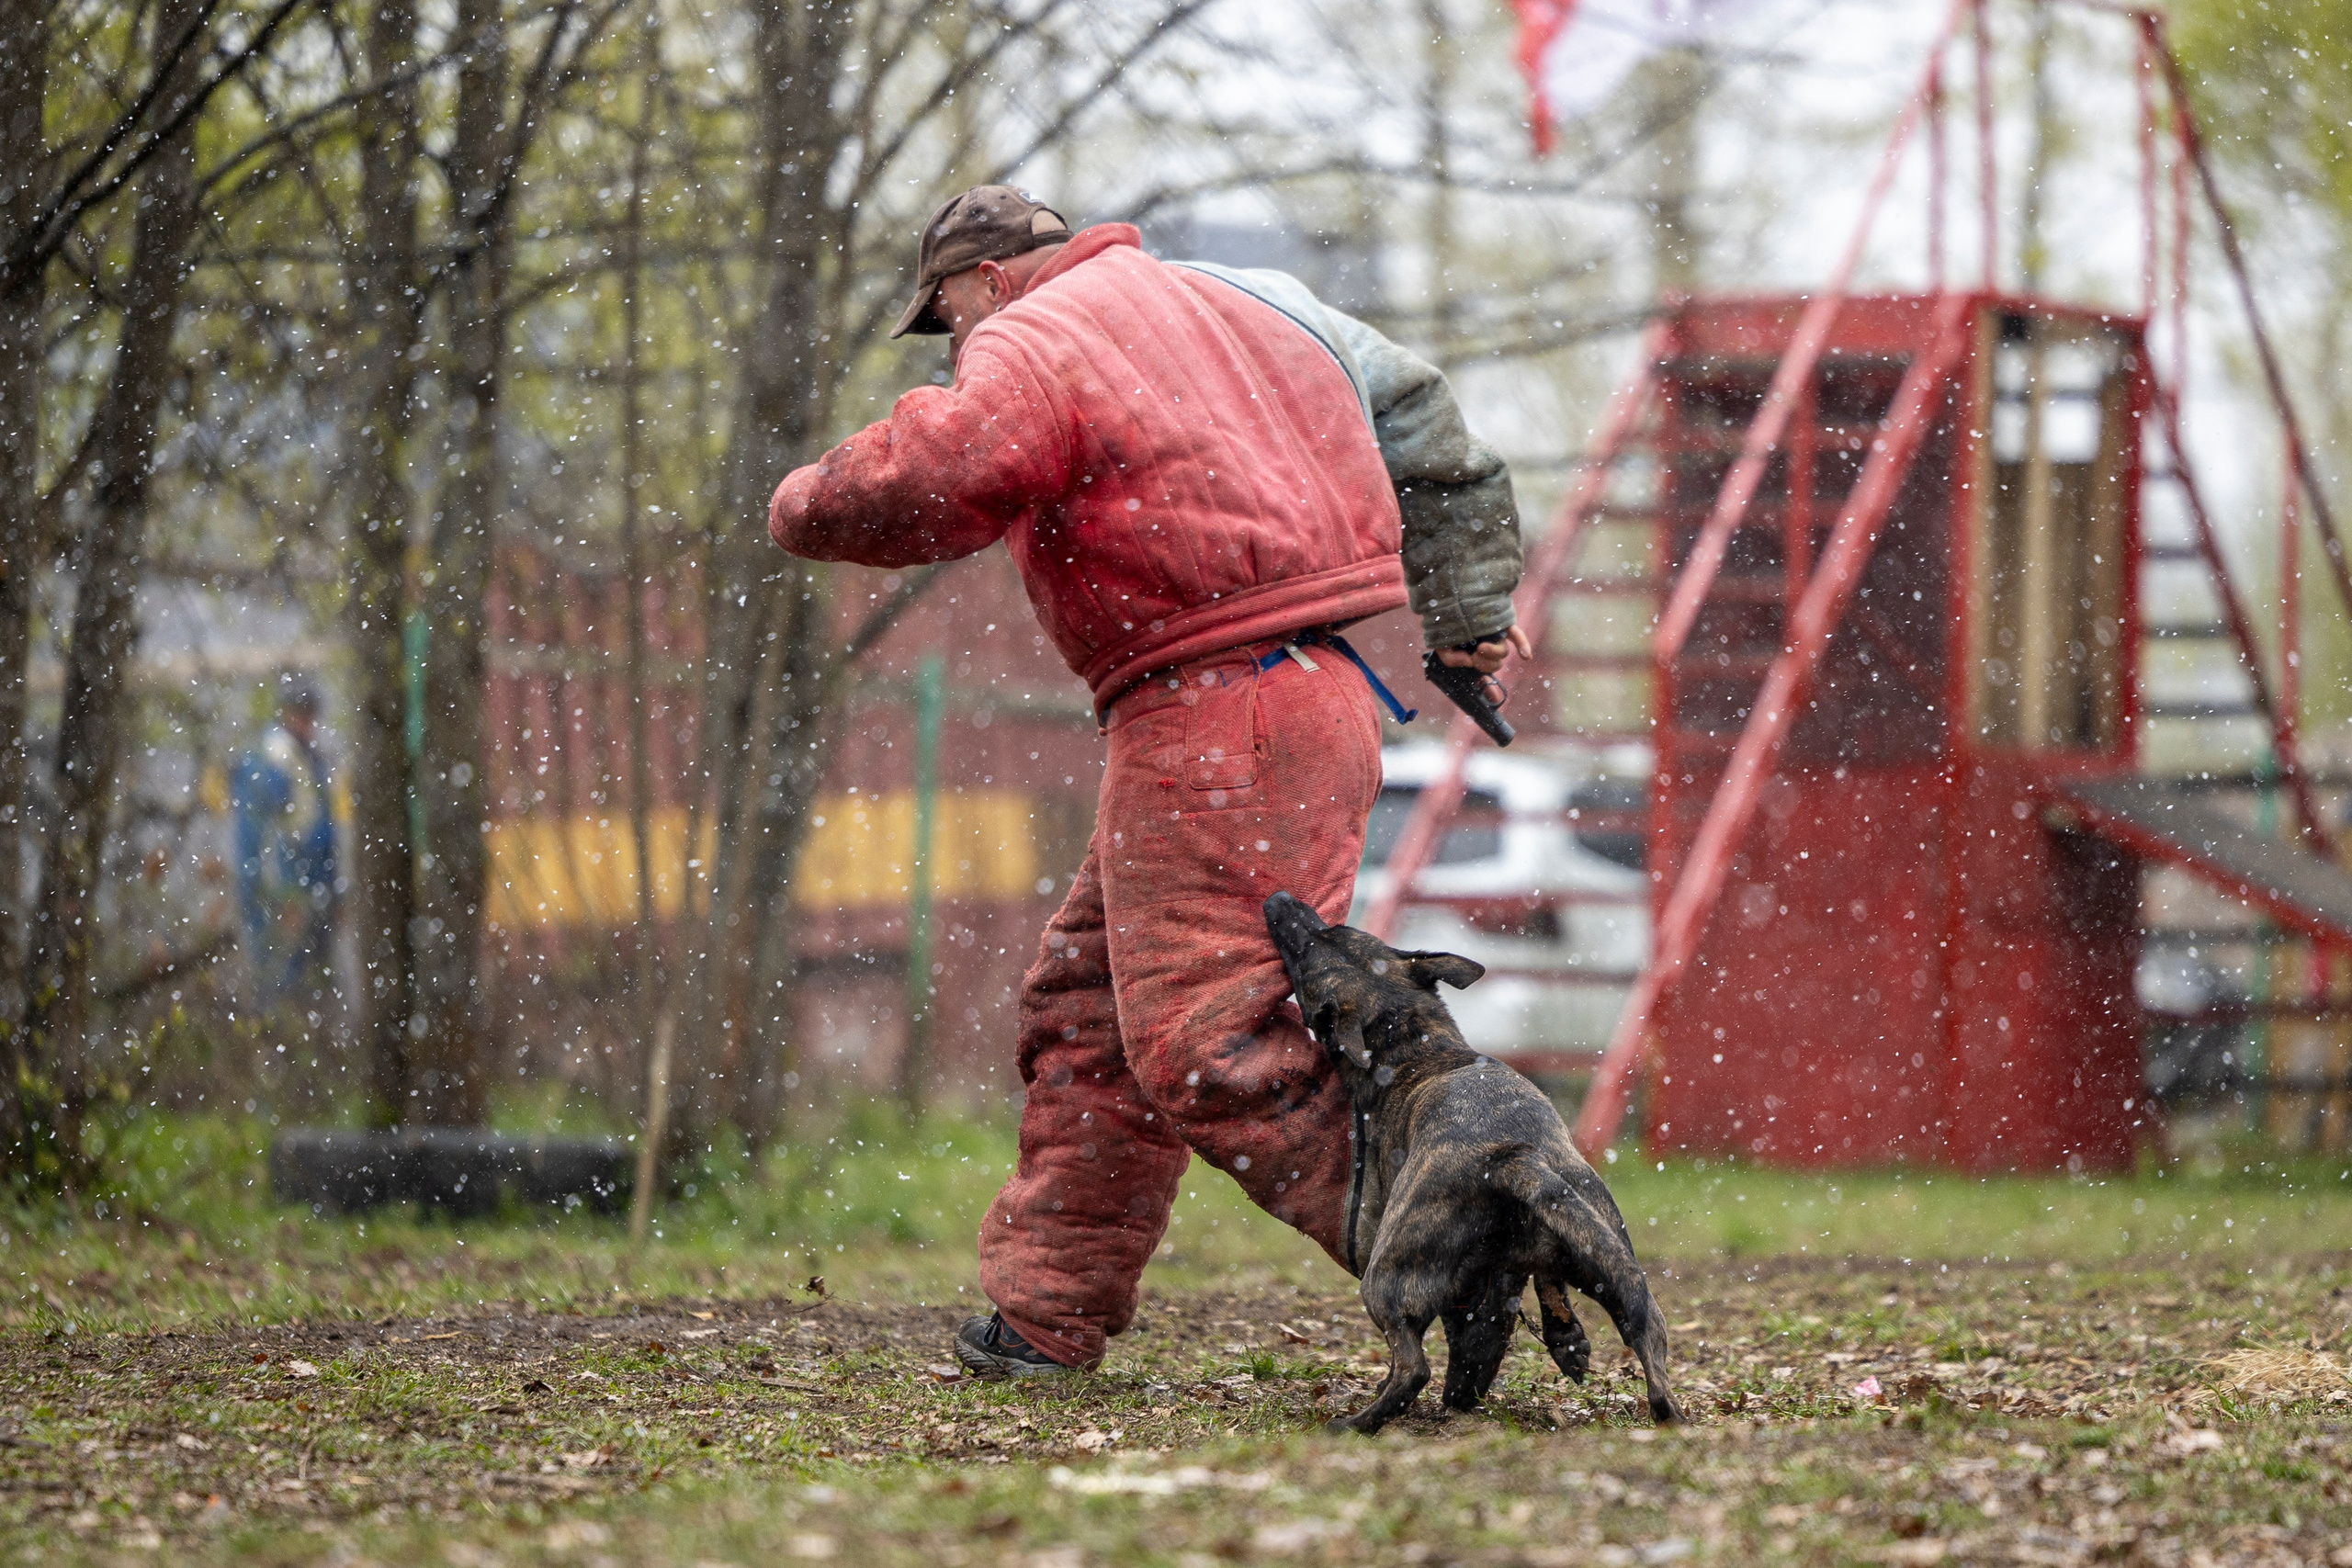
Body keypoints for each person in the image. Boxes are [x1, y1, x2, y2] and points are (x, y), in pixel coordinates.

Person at [769, 186, 1529, 1377]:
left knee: (1210, 1043)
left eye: (947, 312)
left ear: (987, 277)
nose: (955, 339)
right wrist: (1469, 613)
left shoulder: (1039, 331)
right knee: (1091, 1010)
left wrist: (804, 502)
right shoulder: (1256, 301)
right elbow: (1430, 423)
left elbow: (948, 466)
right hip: (1304, 694)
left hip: (1223, 714)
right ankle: (1044, 1314)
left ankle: (1471, 1250)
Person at [232, 675, 338, 1009]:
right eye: (300, 712)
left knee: (314, 984)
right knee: (281, 985)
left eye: (311, 713)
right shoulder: (269, 763)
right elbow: (256, 841)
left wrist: (333, 890)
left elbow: (322, 831)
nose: (307, 721)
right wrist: (272, 897)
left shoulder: (309, 760)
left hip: (315, 888)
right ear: (286, 712)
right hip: (287, 891)